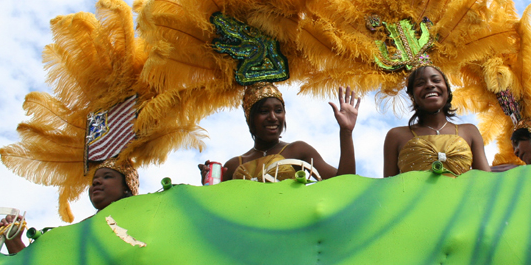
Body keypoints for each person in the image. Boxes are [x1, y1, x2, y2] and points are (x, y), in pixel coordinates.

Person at [200, 83, 360, 182]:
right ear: (250, 118)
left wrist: (346, 132)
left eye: (278, 110)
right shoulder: (234, 165)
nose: (273, 117)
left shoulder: (298, 150)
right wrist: (208, 185)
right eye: (264, 111)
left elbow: (344, 183)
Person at [0, 159, 139, 255]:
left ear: (127, 187)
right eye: (94, 180)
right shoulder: (76, 234)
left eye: (107, 177)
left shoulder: (145, 219)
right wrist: (13, 240)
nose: (96, 183)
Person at [383, 65, 490, 177]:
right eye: (420, 83)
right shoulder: (396, 136)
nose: (429, 85)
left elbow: (487, 182)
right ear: (412, 96)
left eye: (436, 80)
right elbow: (388, 188)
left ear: (448, 91)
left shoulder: (470, 131)